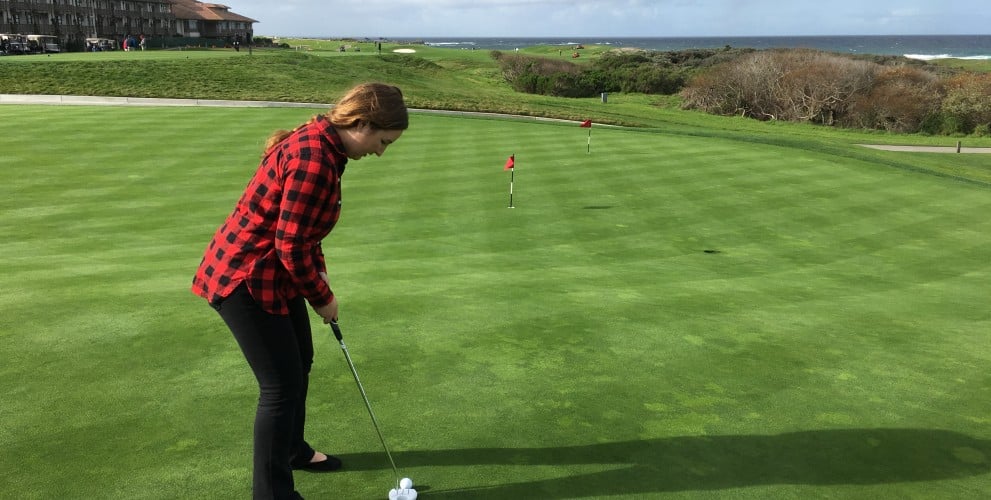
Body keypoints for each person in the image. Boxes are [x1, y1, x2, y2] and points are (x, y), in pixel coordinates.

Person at [191, 82, 408, 500]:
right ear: (361, 122)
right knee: (279, 387)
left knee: (299, 361)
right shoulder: (315, 159)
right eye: (383, 141)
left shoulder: (327, 148)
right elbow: (288, 245)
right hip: (245, 278)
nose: (381, 152)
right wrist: (322, 298)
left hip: (275, 275)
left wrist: (319, 280)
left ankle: (291, 449)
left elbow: (303, 236)